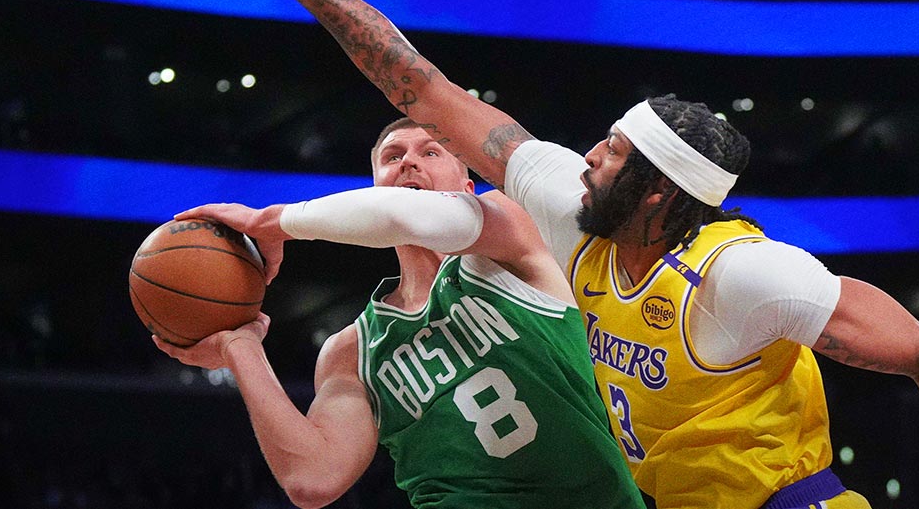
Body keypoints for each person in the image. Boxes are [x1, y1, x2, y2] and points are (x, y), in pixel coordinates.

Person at [162, 0, 919, 509]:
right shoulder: (566, 207)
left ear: (657, 192)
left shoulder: (744, 277)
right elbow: (421, 87)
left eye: (610, 153)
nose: (584, 155)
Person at [154, 117, 647, 509]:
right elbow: (312, 479)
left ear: (466, 184)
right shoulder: (351, 350)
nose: (409, 162)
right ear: (372, 186)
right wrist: (243, 350)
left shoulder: (508, 243)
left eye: (430, 152)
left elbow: (398, 214)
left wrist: (271, 221)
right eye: (392, 157)